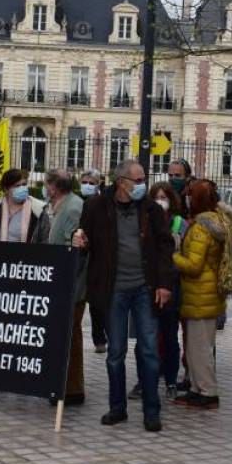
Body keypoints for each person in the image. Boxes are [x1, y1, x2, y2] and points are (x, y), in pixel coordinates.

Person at [72, 158, 176, 432]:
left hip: (145, 288)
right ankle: (117, 408)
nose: (143, 185)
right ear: (121, 182)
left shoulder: (151, 209)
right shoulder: (96, 206)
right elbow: (83, 240)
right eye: (138, 181)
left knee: (149, 350)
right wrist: (78, 241)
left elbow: (166, 246)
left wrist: (164, 284)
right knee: (115, 352)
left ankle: (152, 411)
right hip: (112, 289)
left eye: (144, 180)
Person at [172, 178, 232, 409]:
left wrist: (175, 252)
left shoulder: (201, 227)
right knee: (197, 347)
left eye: (190, 195)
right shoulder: (217, 222)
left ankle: (207, 392)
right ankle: (197, 388)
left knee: (199, 349)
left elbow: (194, 265)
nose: (186, 199)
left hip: (200, 294)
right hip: (207, 295)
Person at [43, 169, 88, 405]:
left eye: (46, 185)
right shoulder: (62, 206)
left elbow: (73, 248)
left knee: (70, 335)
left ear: (53, 187)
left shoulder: (72, 208)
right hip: (62, 281)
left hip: (71, 284)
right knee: (67, 334)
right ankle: (67, 385)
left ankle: (70, 388)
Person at [148, 180, 187, 397]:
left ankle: (171, 381)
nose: (160, 202)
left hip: (172, 286)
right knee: (148, 338)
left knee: (170, 337)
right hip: (149, 286)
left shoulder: (180, 223)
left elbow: (187, 254)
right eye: (156, 197)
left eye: (164, 197)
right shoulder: (145, 220)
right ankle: (146, 380)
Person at [79, 169, 109, 354]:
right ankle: (98, 338)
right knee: (90, 300)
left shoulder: (103, 202)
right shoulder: (77, 201)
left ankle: (101, 338)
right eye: (85, 182)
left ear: (98, 184)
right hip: (83, 255)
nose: (87, 185)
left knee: (99, 301)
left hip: (98, 256)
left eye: (91, 182)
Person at [0, 169, 49, 243]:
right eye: (17, 186)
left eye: (24, 184)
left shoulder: (38, 210)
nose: (22, 188)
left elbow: (45, 239)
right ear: (6, 189)